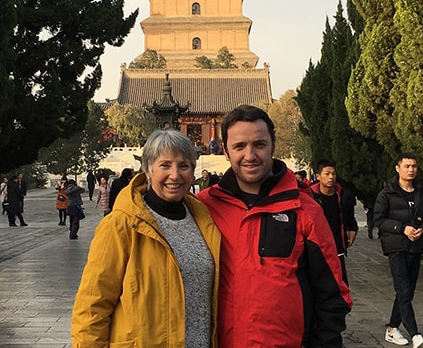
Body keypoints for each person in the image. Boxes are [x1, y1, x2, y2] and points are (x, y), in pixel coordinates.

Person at [196, 105, 351, 347]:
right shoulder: (203, 208)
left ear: (273, 145)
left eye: (259, 144)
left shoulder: (305, 210)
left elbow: (332, 294)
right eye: (239, 146)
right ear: (225, 151)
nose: (250, 155)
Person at [72, 129, 220, 347]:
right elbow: (92, 307)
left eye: (183, 166)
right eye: (165, 165)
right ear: (148, 170)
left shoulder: (204, 221)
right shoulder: (122, 224)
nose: (175, 175)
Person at [374, 152, 423, 348]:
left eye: (414, 166)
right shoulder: (387, 193)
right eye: (407, 166)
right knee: (404, 290)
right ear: (398, 169)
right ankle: (416, 335)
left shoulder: (421, 192)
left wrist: (422, 229)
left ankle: (392, 329)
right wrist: (402, 228)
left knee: (407, 292)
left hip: (415, 247)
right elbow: (379, 220)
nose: (411, 169)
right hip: (395, 246)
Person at [310, 158, 359, 283]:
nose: (331, 177)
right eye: (327, 174)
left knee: (341, 284)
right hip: (316, 248)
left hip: (337, 247)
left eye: (333, 174)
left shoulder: (342, 195)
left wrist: (353, 229)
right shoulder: (310, 197)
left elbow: (349, 215)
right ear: (318, 176)